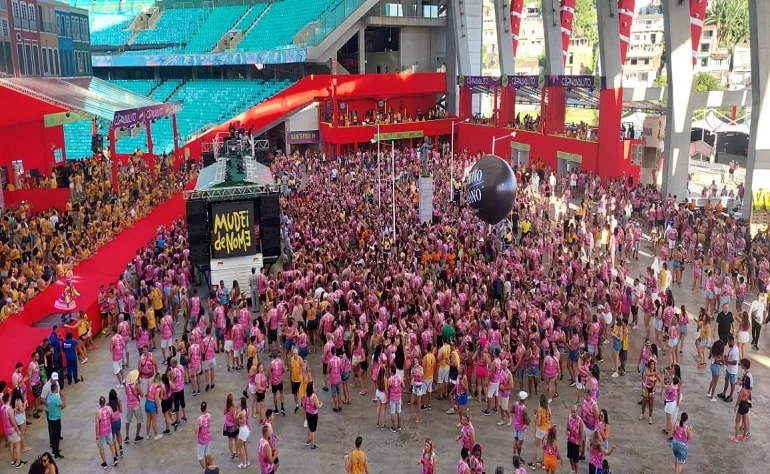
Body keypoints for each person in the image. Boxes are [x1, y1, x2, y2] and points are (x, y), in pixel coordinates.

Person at [2, 392, 26, 468]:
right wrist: (17, 430)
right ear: (9, 399)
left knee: (11, 444)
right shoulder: (10, 410)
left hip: (6, 430)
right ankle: (18, 462)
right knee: (17, 444)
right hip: (12, 430)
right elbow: (13, 421)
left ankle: (13, 460)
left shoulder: (2, 407)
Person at [95, 395, 119, 468]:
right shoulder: (109, 408)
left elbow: (97, 425)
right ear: (105, 402)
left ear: (99, 403)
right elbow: (113, 417)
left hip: (101, 432)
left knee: (101, 447)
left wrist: (96, 437)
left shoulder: (98, 413)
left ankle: (104, 463)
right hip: (108, 429)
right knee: (111, 444)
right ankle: (115, 458)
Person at [718, 335, 740, 402]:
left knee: (732, 383)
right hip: (729, 368)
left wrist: (727, 361)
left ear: (732, 341)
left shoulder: (735, 350)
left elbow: (735, 362)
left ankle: (731, 396)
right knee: (726, 380)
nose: (727, 343)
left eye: (728, 341)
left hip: (732, 370)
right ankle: (724, 393)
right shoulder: (731, 348)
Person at [46, 381, 64, 459]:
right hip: (56, 418)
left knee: (53, 435)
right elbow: (62, 406)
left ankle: (54, 450)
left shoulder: (49, 397)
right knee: (57, 436)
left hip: (51, 418)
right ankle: (56, 454)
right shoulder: (56, 397)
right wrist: (64, 398)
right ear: (55, 389)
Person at [196, 401, 212, 471]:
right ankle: (208, 466)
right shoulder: (209, 415)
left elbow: (196, 430)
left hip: (202, 439)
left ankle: (205, 469)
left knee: (200, 456)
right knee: (206, 453)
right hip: (208, 437)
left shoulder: (199, 419)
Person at [305, 381, 321, 449]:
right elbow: (318, 406)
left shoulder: (306, 394)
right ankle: (312, 444)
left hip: (308, 413)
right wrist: (321, 403)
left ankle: (308, 440)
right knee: (312, 430)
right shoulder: (314, 396)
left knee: (310, 426)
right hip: (313, 414)